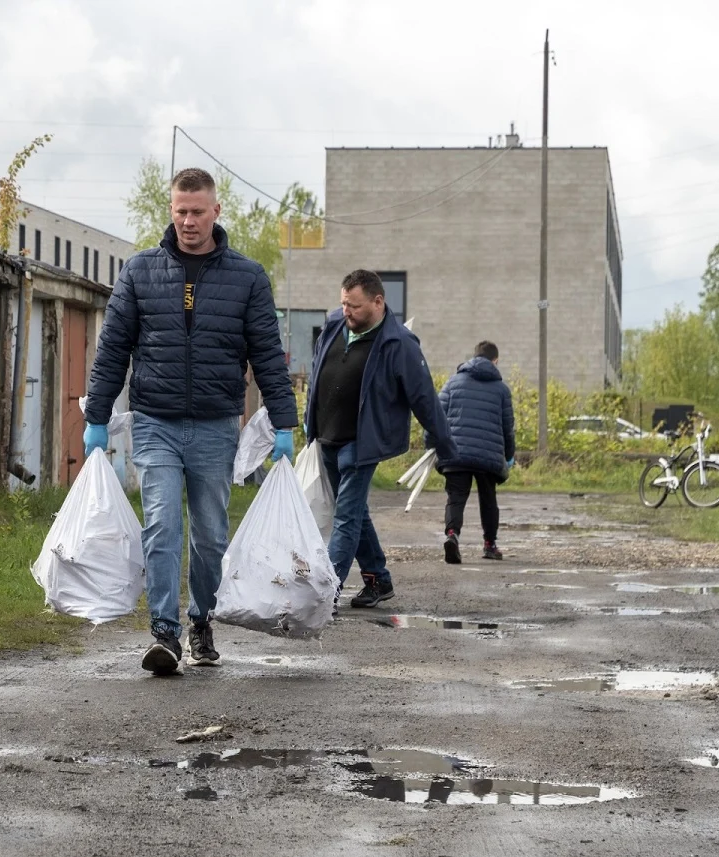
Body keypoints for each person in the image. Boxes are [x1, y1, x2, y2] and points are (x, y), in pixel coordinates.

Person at [83, 167, 297, 675]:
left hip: (215, 425)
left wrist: (284, 424)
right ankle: (164, 632)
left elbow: (268, 353)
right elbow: (113, 348)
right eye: (179, 210)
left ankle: (202, 617)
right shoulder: (140, 272)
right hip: (154, 421)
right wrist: (97, 414)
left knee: (211, 535)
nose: (187, 220)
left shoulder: (246, 277)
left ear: (216, 212)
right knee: (162, 525)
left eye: (197, 211)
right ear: (171, 211)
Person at [304, 269, 457, 608]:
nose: (347, 312)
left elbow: (423, 397)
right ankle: (377, 579)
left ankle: (325, 593)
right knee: (354, 512)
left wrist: (442, 441)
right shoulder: (334, 325)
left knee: (346, 517)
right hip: (326, 435)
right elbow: (316, 374)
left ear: (378, 301)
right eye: (343, 304)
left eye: (354, 306)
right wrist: (307, 423)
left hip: (362, 442)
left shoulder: (398, 342)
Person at [436, 340, 516, 564]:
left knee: (456, 498)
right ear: (495, 360)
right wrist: (508, 455)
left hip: (455, 451)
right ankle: (490, 545)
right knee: (488, 500)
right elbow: (507, 426)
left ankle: (452, 535)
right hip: (488, 455)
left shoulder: (453, 382)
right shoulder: (502, 389)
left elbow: (437, 416)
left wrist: (432, 445)